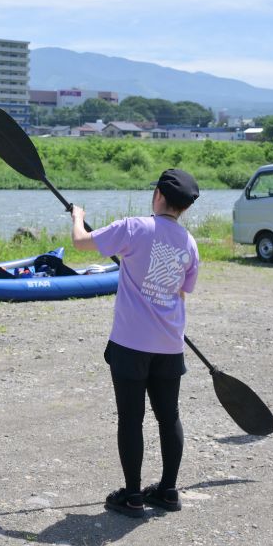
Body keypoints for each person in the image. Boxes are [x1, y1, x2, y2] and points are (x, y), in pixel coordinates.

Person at [71, 169, 201, 519]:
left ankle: (132, 496)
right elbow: (181, 293)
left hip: (131, 343)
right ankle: (168, 492)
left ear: (158, 193)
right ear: (184, 208)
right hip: (170, 343)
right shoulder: (189, 243)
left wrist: (78, 217)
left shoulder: (134, 227)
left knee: (131, 419)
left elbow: (81, 242)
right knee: (168, 416)